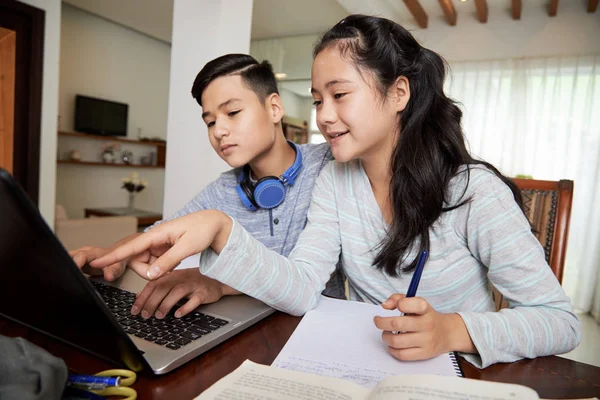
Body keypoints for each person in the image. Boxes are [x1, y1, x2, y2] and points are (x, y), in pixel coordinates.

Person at [91, 15, 581, 368]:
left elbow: (560, 322)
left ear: (398, 94)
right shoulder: (336, 181)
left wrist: (454, 329)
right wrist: (221, 231)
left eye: (339, 95)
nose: (323, 116)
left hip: (458, 373)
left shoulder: (474, 192)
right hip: (363, 367)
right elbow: (302, 286)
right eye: (319, 98)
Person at [72, 53, 343, 320]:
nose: (218, 131)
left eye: (233, 112)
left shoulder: (330, 163)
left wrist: (218, 283)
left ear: (274, 108)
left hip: (322, 326)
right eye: (210, 122)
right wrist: (111, 256)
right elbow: (159, 235)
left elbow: (305, 280)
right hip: (251, 328)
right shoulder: (223, 189)